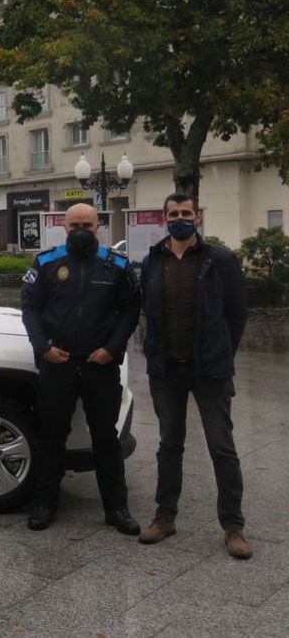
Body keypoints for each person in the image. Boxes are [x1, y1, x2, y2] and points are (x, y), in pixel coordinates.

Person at [137, 193, 251, 559]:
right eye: (174, 213)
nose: (180, 218)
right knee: (169, 445)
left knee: (222, 447)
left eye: (186, 213)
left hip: (210, 371)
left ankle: (233, 527)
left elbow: (236, 314)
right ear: (164, 218)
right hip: (168, 369)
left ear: (197, 217)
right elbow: (148, 312)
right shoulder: (153, 260)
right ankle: (164, 517)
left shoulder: (220, 260)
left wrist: (222, 353)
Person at [21, 203, 141, 533]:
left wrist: (112, 348)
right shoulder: (46, 262)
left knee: (106, 439)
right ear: (64, 226)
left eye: (87, 224)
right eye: (75, 224)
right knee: (51, 437)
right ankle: (45, 504)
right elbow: (29, 308)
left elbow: (131, 310)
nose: (81, 230)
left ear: (98, 225)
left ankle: (117, 509)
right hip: (57, 363)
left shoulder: (116, 265)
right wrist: (42, 347)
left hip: (99, 365)